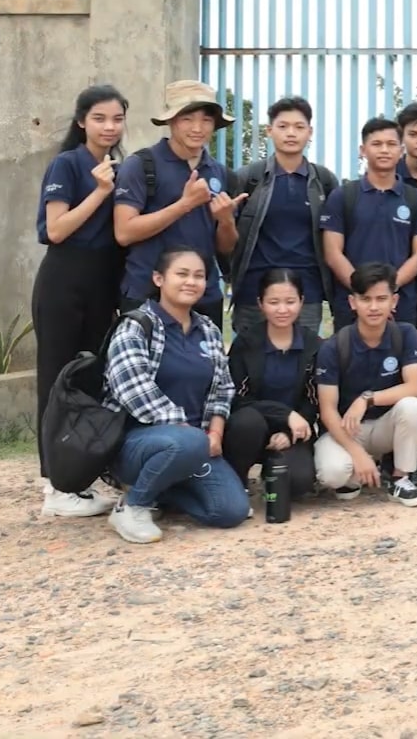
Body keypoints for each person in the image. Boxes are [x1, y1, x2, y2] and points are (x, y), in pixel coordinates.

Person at [101, 247, 252, 544]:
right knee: (188, 441)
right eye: (181, 274)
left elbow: (223, 386)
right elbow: (132, 387)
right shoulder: (136, 326)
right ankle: (133, 507)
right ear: (159, 278)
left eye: (199, 276)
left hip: (196, 444)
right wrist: (187, 431)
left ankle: (160, 491)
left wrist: (215, 433)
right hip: (138, 443)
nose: (191, 282)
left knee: (231, 511)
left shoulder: (207, 329)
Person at [34, 84, 129, 518]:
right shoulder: (68, 164)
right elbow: (56, 230)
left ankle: (79, 478)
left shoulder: (121, 167)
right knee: (56, 380)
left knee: (90, 379)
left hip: (102, 281)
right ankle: (53, 486)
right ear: (81, 122)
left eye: (117, 119)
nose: (109, 127)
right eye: (100, 118)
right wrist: (98, 192)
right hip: (64, 279)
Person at [113, 80, 242, 321]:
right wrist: (184, 204)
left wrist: (226, 221)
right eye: (187, 119)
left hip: (203, 297)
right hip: (148, 295)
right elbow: (124, 232)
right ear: (171, 121)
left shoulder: (221, 173)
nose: (197, 128)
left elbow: (225, 247)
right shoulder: (141, 165)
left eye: (206, 120)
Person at [312, 263, 417, 506]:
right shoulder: (334, 346)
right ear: (352, 302)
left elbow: (414, 387)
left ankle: (400, 479)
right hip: (346, 430)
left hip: (385, 426)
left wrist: (367, 398)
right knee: (333, 474)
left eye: (381, 298)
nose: (374, 307)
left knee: (412, 406)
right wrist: (356, 452)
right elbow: (327, 410)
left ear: (394, 302)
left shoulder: (405, 334)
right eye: (366, 299)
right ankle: (357, 473)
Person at [226, 96, 339, 339]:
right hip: (254, 289)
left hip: (306, 289)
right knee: (252, 362)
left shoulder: (324, 181)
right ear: (269, 131)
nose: (291, 133)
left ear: (310, 132)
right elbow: (227, 239)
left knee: (304, 361)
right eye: (283, 126)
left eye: (299, 127)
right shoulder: (248, 178)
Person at [320, 117, 417, 331]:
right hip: (352, 305)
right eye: (376, 144)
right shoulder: (342, 196)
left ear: (401, 151)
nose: (384, 150)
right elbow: (333, 253)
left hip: (400, 307)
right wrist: (364, 293)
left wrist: (387, 294)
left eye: (391, 144)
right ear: (363, 150)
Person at [222, 269, 322, 502]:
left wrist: (289, 430)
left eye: (290, 301)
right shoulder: (246, 343)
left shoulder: (313, 345)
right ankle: (237, 480)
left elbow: (313, 399)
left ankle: (273, 469)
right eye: (273, 302)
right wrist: (285, 415)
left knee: (298, 484)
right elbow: (238, 399)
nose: (282, 309)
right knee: (247, 422)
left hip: (293, 431)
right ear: (260, 303)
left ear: (301, 302)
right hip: (251, 429)